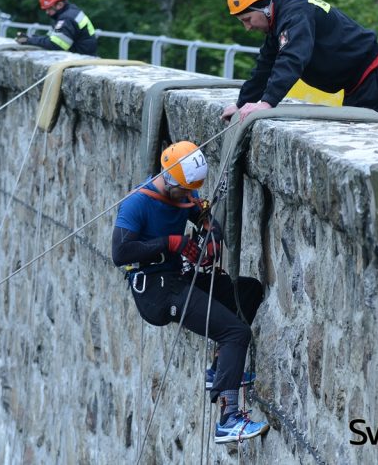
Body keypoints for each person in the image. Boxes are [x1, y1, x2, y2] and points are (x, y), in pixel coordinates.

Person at [111, 141, 269, 444]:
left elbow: (206, 220)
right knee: (236, 333)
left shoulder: (186, 192)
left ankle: (219, 371)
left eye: (191, 192)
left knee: (248, 292)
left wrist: (210, 239)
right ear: (169, 179)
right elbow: (120, 252)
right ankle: (228, 419)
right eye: (184, 192)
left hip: (178, 278)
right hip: (156, 291)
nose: (189, 197)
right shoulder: (137, 203)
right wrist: (171, 243)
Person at [221, 0, 378, 122]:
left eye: (248, 19)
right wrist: (240, 104)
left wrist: (267, 103)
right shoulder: (279, 18)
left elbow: (292, 57)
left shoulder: (295, 13)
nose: (248, 27)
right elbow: (265, 66)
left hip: (372, 76)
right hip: (358, 84)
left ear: (263, 8)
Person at [15, 0, 98, 56]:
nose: (47, 12)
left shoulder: (66, 19)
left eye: (49, 9)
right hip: (86, 56)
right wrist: (33, 38)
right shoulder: (71, 12)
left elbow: (56, 45)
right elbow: (53, 38)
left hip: (81, 59)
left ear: (59, 5)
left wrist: (29, 41)